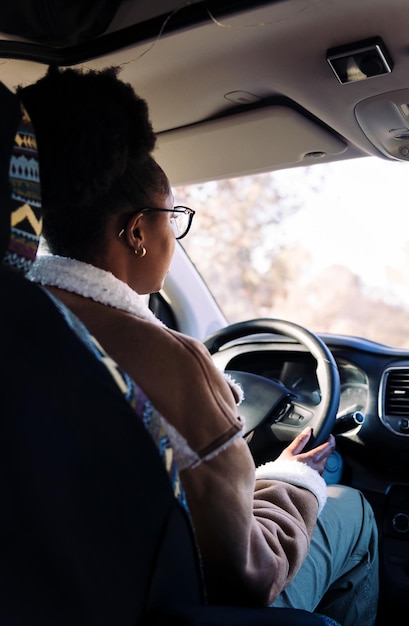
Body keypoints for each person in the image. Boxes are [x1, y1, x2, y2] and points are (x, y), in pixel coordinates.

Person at [20, 65, 379, 626]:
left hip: (51, 591)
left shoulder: (22, 320)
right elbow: (247, 574)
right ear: (137, 231)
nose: (173, 232)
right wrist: (290, 481)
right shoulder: (169, 364)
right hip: (177, 606)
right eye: (173, 217)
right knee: (348, 506)